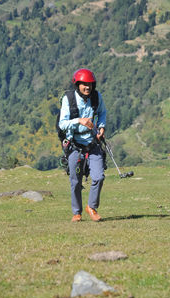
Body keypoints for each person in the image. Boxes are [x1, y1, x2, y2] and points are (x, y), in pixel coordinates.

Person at [59, 68, 106, 222]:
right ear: (77, 84)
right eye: (84, 84)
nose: (87, 87)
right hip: (74, 144)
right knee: (75, 181)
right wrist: (79, 120)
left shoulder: (96, 97)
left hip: (93, 143)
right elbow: (62, 124)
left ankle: (91, 207)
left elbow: (103, 113)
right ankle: (77, 212)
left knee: (99, 177)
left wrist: (101, 127)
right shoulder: (69, 99)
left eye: (90, 84)